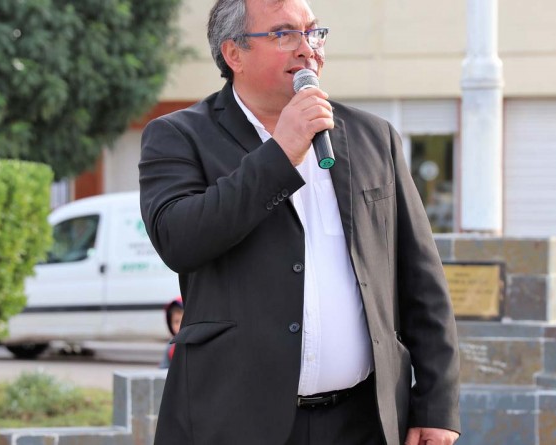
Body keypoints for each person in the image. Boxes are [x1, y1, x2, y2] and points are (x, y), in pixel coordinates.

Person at [138, 0, 461, 443]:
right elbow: (180, 240)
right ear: (234, 54)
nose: (307, 48)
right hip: (234, 422)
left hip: (363, 420)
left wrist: (437, 405)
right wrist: (280, 153)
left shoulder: (373, 136)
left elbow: (421, 278)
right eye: (283, 34)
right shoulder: (179, 135)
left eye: (313, 32)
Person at [159, 297, 184, 369]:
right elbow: (163, 370)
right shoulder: (171, 347)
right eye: (176, 321)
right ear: (170, 325)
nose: (180, 325)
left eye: (184, 319)